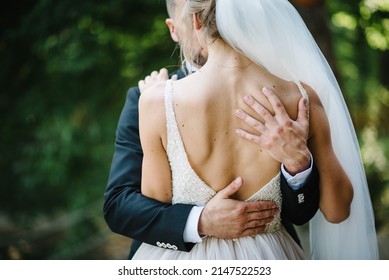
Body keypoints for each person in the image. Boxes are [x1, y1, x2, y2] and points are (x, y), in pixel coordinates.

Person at [131, 0, 379, 260]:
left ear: (196, 22)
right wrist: (301, 158)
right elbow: (338, 211)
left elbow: (156, 210)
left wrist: (299, 162)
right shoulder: (301, 99)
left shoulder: (155, 102)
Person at [103, 0, 321, 259]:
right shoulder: (148, 99)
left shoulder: (284, 95)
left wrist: (299, 167)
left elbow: (300, 212)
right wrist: (199, 222)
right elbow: (118, 205)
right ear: (175, 28)